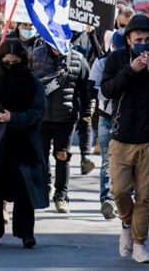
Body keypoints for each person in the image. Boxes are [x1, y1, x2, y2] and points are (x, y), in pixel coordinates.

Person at [101, 15, 149, 263]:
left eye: (147, 39)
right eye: (138, 39)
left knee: (144, 195)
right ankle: (126, 224)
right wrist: (130, 71)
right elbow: (107, 90)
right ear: (129, 40)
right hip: (121, 137)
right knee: (120, 191)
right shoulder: (117, 59)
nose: (142, 43)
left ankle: (140, 243)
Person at [0, 39, 47, 248]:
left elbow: (39, 113)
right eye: (7, 62)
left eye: (15, 62)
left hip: (24, 145)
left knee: (25, 190)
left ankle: (26, 233)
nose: (11, 66)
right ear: (0, 60)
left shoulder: (32, 83)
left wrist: (15, 118)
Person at [30, 39, 92, 214]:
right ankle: (46, 184)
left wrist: (86, 117)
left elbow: (85, 91)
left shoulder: (78, 60)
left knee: (62, 155)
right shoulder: (35, 56)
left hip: (65, 118)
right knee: (41, 155)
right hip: (41, 118)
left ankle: (61, 195)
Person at [88, 30, 124, 219]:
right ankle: (107, 199)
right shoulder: (102, 62)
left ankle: (126, 198)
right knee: (108, 160)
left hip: (129, 119)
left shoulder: (137, 62)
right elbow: (91, 91)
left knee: (128, 161)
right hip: (107, 117)